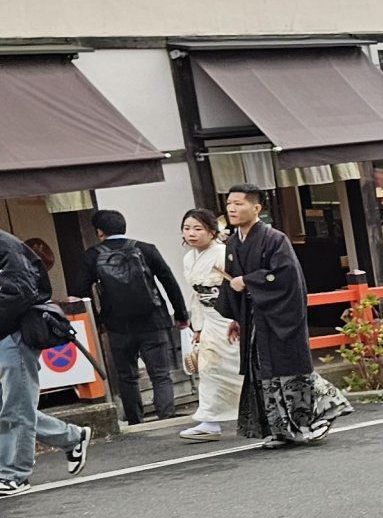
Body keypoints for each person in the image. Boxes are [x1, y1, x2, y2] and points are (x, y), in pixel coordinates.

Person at [217, 185, 352, 447]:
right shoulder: (233, 243)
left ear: (256, 208)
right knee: (262, 371)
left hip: (278, 316)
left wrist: (249, 280)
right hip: (253, 318)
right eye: (229, 204)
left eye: (238, 203)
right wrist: (237, 317)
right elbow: (232, 281)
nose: (232, 209)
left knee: (289, 369)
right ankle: (281, 431)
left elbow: (286, 276)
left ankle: (322, 410)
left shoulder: (275, 239)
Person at [0, 226, 91, 497]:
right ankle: (72, 437)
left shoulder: (6, 247)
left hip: (14, 332)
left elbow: (21, 291)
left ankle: (14, 474)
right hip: (7, 331)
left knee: (16, 405)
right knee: (12, 406)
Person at [84, 208, 189, 426]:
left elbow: (81, 292)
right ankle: (166, 416)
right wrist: (180, 313)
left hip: (117, 325)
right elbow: (169, 281)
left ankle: (135, 420)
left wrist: (99, 321)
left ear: (99, 231)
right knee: (160, 374)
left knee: (127, 376)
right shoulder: (146, 249)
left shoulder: (92, 256)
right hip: (153, 321)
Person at [174, 207, 242, 441]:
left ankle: (261, 409)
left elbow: (236, 288)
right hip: (209, 318)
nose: (191, 233)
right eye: (186, 228)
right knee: (208, 367)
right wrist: (198, 327)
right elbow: (196, 295)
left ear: (212, 231)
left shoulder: (223, 253)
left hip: (229, 316)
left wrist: (238, 317)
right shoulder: (189, 258)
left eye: (198, 228)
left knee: (238, 366)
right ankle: (209, 421)